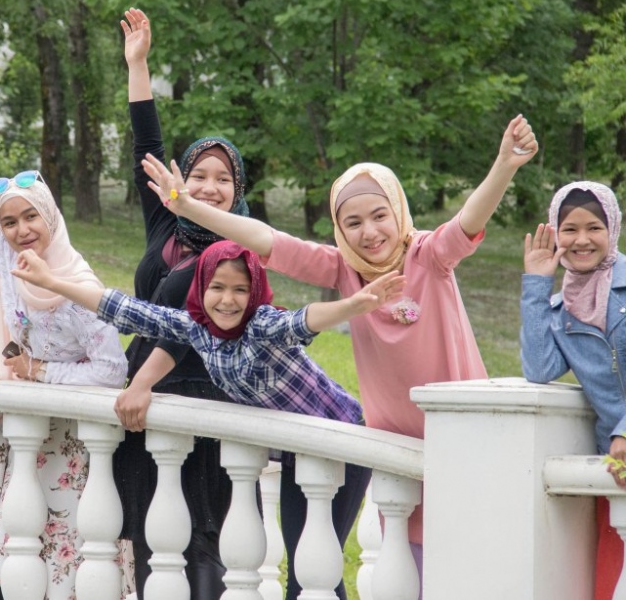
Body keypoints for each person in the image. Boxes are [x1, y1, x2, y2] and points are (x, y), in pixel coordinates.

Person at [140, 108, 538, 592]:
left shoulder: (430, 256)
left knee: (471, 567)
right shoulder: (341, 270)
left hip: (461, 436)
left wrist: (504, 164)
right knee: (409, 572)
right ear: (339, 229)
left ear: (398, 212)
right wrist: (186, 206)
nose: (369, 232)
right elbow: (267, 240)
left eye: (379, 216)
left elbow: (468, 219)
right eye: (353, 222)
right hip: (394, 449)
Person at [13, 241, 400, 593]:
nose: (227, 300)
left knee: (314, 571)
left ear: (254, 293)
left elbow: (304, 319)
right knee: (305, 567)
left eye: (240, 289)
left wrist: (354, 306)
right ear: (201, 289)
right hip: (300, 449)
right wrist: (52, 281)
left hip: (342, 443)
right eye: (217, 287)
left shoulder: (262, 324)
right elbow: (126, 309)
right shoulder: (197, 329)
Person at [0, 54, 129, 599]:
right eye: (9, 221)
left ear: (50, 216)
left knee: (64, 573)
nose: (20, 229)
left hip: (72, 447)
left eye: (31, 216)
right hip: (21, 438)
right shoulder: (9, 260)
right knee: (8, 569)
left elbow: (112, 371)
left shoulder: (79, 285)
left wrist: (39, 371)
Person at [116, 8, 260, 598]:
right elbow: (145, 145)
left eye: (223, 179)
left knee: (204, 538)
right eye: (199, 175)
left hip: (206, 395)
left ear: (238, 189)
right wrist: (139, 65)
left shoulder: (243, 247)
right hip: (142, 395)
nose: (209, 187)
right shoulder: (165, 227)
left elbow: (198, 322)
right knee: (145, 531)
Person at [520, 181, 625, 600]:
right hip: (615, 468)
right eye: (569, 229)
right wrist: (536, 284)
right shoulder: (563, 307)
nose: (582, 240)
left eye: (594, 227)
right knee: (610, 580)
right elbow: (540, 368)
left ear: (612, 228)